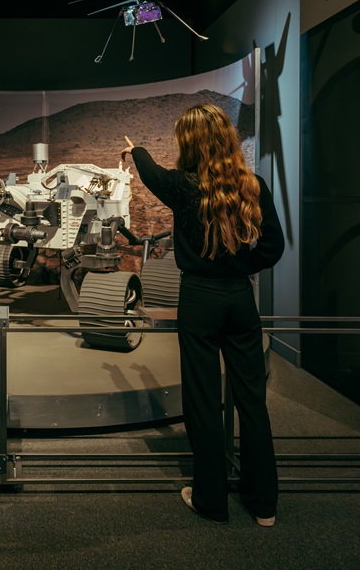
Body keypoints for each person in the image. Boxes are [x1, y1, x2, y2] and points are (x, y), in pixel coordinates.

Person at [121, 103, 285, 527]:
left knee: (203, 401)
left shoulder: (181, 186)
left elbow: (151, 172)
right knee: (253, 401)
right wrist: (238, 269)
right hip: (239, 299)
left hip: (199, 298)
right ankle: (263, 503)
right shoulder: (253, 185)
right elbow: (273, 248)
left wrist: (135, 149)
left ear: (189, 143)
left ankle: (211, 499)